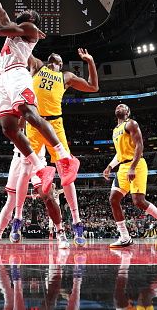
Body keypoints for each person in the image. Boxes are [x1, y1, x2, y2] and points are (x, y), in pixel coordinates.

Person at [0, 0, 80, 202]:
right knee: (8, 129)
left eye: (29, 11)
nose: (25, 10)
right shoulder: (16, 30)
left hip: (17, 73)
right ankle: (41, 167)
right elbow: (0, 11)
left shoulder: (29, 28)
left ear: (32, 20)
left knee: (29, 114)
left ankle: (64, 157)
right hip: (1, 80)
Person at [25, 49, 99, 247]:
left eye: (57, 58)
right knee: (25, 167)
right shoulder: (38, 65)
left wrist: (90, 61)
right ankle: (19, 221)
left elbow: (93, 86)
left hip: (55, 125)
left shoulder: (65, 76)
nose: (54, 57)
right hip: (34, 122)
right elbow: (23, 49)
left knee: (65, 173)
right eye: (52, 57)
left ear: (60, 64)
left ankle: (76, 222)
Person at [103, 104, 157, 248]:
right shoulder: (115, 131)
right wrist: (110, 166)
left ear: (128, 112)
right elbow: (120, 154)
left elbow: (139, 145)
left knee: (138, 201)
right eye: (118, 106)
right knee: (113, 199)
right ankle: (125, 237)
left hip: (136, 165)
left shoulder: (131, 123)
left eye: (123, 106)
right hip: (123, 167)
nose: (120, 106)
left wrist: (132, 167)